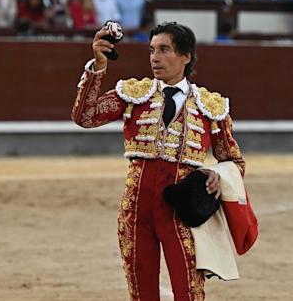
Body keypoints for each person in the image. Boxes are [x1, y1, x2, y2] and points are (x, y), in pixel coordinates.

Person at [72, 22, 245, 301]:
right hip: (135, 209)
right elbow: (85, 116)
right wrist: (98, 65)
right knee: (141, 294)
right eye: (152, 50)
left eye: (164, 50)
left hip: (180, 213)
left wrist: (216, 174)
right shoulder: (134, 94)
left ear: (186, 56)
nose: (155, 57)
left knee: (188, 292)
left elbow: (234, 161)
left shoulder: (210, 106)